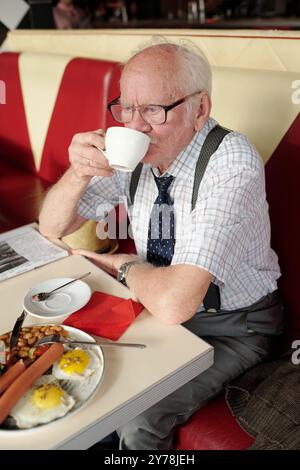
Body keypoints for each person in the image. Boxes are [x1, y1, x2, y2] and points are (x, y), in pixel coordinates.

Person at [39, 41, 283, 450]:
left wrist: (122, 267)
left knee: (138, 421)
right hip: (157, 301)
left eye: (154, 110)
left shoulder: (231, 162)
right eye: (127, 109)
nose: (135, 126)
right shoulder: (137, 151)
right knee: (68, 361)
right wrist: (78, 173)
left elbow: (175, 304)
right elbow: (52, 225)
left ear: (199, 109)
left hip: (234, 326)